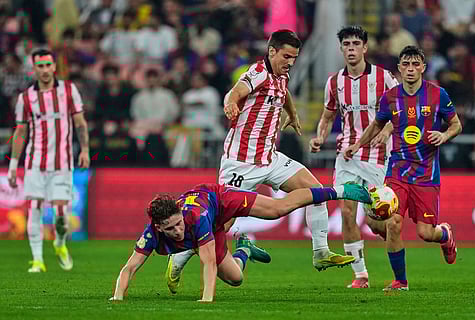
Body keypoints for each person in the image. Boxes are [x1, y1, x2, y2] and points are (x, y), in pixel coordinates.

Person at [166, 29, 358, 294]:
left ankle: (321, 252)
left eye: (294, 57)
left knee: (316, 191)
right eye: (287, 56)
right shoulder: (257, 72)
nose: (291, 62)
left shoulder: (282, 76)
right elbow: (235, 92)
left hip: (270, 158)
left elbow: (284, 93)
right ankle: (181, 254)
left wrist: (292, 113)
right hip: (241, 163)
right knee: (221, 223)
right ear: (272, 51)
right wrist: (231, 103)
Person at [110, 182, 372, 302]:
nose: (177, 230)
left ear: (181, 216)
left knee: (277, 209)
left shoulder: (195, 218)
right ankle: (244, 248)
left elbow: (209, 263)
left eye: (179, 223)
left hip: (219, 200)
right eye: (170, 228)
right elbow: (129, 267)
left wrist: (206, 299)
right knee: (236, 280)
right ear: (158, 227)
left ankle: (338, 190)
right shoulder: (151, 233)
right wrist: (117, 298)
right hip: (212, 225)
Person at [344, 45, 461, 291]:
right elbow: (376, 125)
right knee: (392, 223)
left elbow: (456, 125)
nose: (410, 69)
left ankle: (445, 235)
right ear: (399, 68)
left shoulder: (438, 94)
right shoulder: (391, 97)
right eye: (405, 64)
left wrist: (444, 135)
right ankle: (401, 281)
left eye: (415, 64)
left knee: (425, 233)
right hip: (397, 170)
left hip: (427, 174)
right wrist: (357, 145)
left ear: (423, 68)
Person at [309, 25, 399, 289]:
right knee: (347, 212)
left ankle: (377, 226)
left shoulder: (384, 78)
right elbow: (328, 115)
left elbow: (400, 112)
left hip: (378, 156)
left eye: (355, 44)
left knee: (379, 219)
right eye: (346, 44)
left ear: (365, 48)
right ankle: (360, 275)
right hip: (346, 154)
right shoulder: (334, 82)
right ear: (341, 49)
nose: (351, 49)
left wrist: (387, 131)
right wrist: (320, 137)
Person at [7, 48, 90, 272]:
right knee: (34, 207)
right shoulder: (26, 98)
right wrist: (14, 165)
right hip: (35, 163)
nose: (44, 70)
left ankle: (60, 243)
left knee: (61, 215)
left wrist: (84, 150)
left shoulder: (69, 91)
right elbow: (20, 132)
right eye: (40, 66)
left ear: (54, 66)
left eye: (47, 65)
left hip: (62, 163)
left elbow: (80, 123)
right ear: (34, 69)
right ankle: (37, 260)